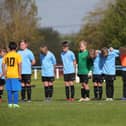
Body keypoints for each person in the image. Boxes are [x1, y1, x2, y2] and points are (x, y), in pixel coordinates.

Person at [2, 42, 22, 108]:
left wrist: (4, 73)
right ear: (16, 48)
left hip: (8, 75)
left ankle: (10, 104)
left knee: (9, 90)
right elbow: (19, 65)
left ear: (9, 48)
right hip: (15, 75)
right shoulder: (17, 55)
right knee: (15, 89)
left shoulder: (6, 55)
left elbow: (3, 64)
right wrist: (20, 74)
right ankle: (15, 104)